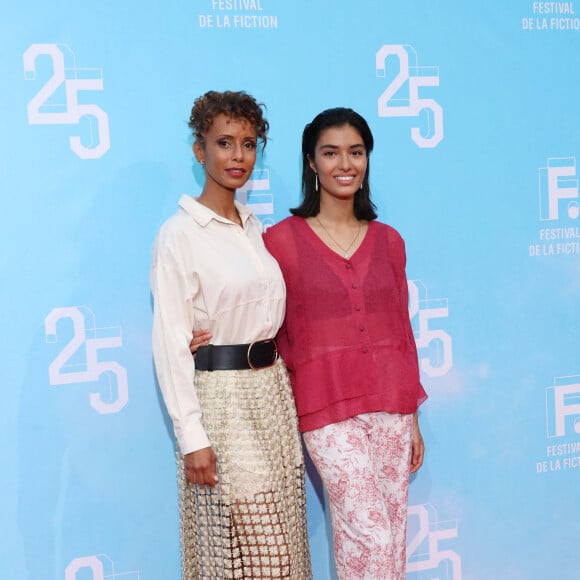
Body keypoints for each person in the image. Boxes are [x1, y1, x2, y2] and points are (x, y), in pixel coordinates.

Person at [150, 90, 311, 579]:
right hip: (222, 403)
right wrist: (192, 435)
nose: (238, 155)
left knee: (267, 554)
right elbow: (170, 342)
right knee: (265, 558)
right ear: (200, 151)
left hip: (271, 399)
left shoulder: (255, 228)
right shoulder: (179, 234)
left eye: (248, 143)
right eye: (224, 142)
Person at [262, 107, 428, 579]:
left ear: (368, 159)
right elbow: (259, 316)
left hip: (392, 405)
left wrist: (413, 417)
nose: (345, 164)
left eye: (356, 152)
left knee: (390, 540)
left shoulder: (389, 241)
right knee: (370, 534)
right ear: (311, 162)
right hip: (326, 407)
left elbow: (401, 329)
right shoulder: (281, 241)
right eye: (330, 153)